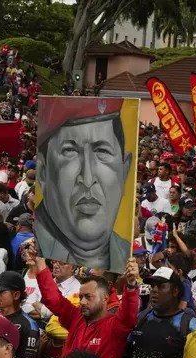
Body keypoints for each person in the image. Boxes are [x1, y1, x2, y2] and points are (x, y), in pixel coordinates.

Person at [35, 110, 133, 273]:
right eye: (69, 151)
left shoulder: (129, 258)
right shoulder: (31, 253)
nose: (87, 179)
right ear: (43, 173)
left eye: (102, 151)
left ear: (124, 171)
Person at [35, 253, 139, 358]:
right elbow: (53, 299)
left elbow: (128, 313)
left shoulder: (115, 326)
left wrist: (131, 284)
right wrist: (40, 262)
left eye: (88, 297)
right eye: (81, 297)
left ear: (105, 298)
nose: (82, 302)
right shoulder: (76, 317)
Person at [125, 267, 196, 358]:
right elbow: (127, 353)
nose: (154, 291)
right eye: (152, 286)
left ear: (175, 291)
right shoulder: (141, 318)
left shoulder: (191, 326)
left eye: (161, 286)